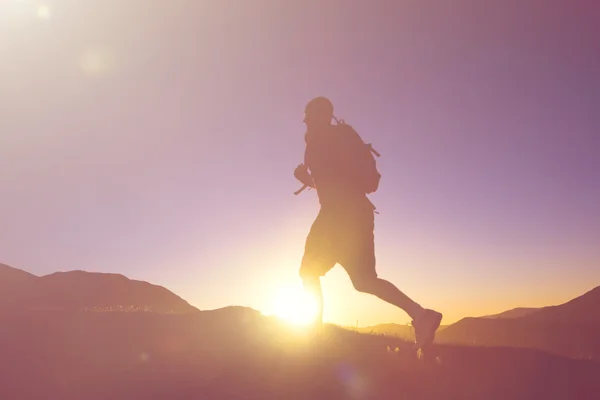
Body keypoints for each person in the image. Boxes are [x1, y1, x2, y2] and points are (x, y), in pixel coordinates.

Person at [294, 96, 443, 349]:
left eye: (308, 115)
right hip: (359, 214)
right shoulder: (339, 137)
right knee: (364, 280)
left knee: (308, 272)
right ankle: (421, 315)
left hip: (336, 216)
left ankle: (314, 337)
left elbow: (331, 185)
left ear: (316, 116)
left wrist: (305, 177)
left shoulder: (320, 142)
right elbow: (341, 181)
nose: (305, 121)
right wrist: (310, 179)